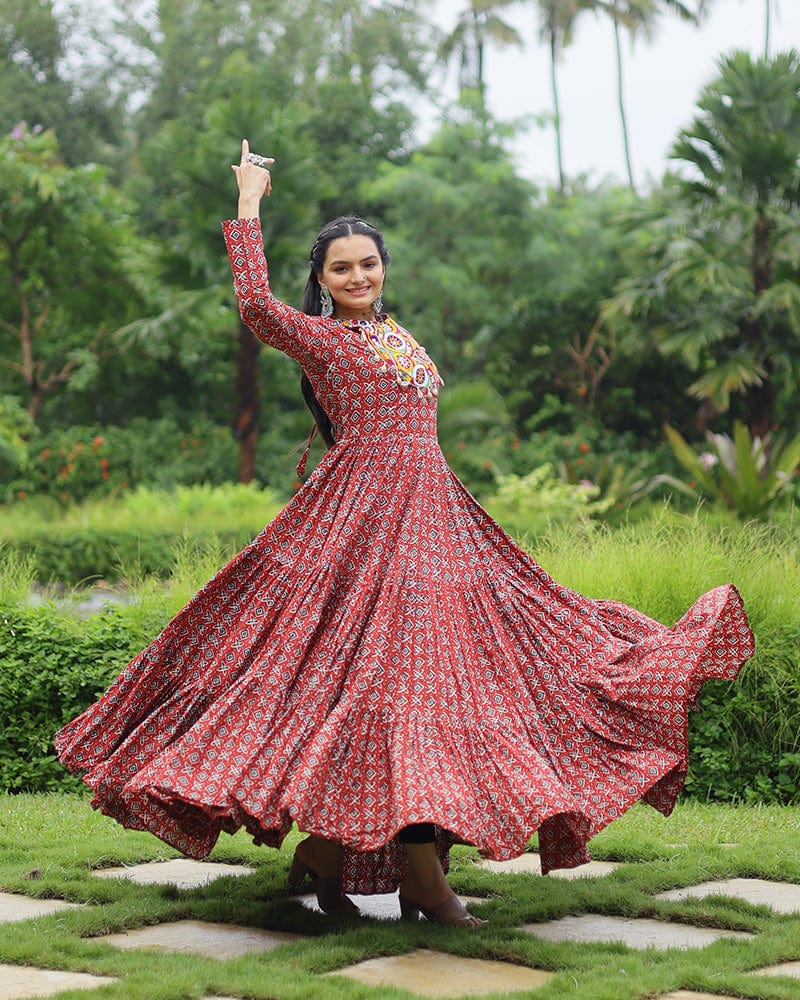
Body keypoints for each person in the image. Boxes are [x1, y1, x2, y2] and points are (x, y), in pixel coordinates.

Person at [55, 139, 755, 929]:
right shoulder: (328, 340)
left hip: (436, 522)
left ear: (384, 269)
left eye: (368, 265)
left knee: (453, 678)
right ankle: (418, 880)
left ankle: (326, 857)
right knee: (388, 685)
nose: (358, 278)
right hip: (362, 524)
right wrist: (250, 203)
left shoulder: (396, 335)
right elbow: (255, 310)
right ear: (320, 282)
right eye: (341, 269)